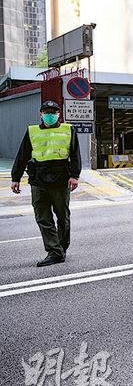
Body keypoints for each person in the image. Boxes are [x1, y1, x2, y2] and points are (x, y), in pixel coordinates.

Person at [11, 101, 81, 267]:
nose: (50, 114)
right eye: (46, 111)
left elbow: (75, 154)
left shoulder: (68, 129)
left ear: (59, 114)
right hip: (38, 180)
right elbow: (22, 156)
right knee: (43, 218)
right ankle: (55, 251)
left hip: (61, 180)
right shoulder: (32, 131)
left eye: (53, 111)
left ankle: (60, 249)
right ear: (40, 114)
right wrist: (15, 177)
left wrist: (75, 175)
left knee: (63, 217)